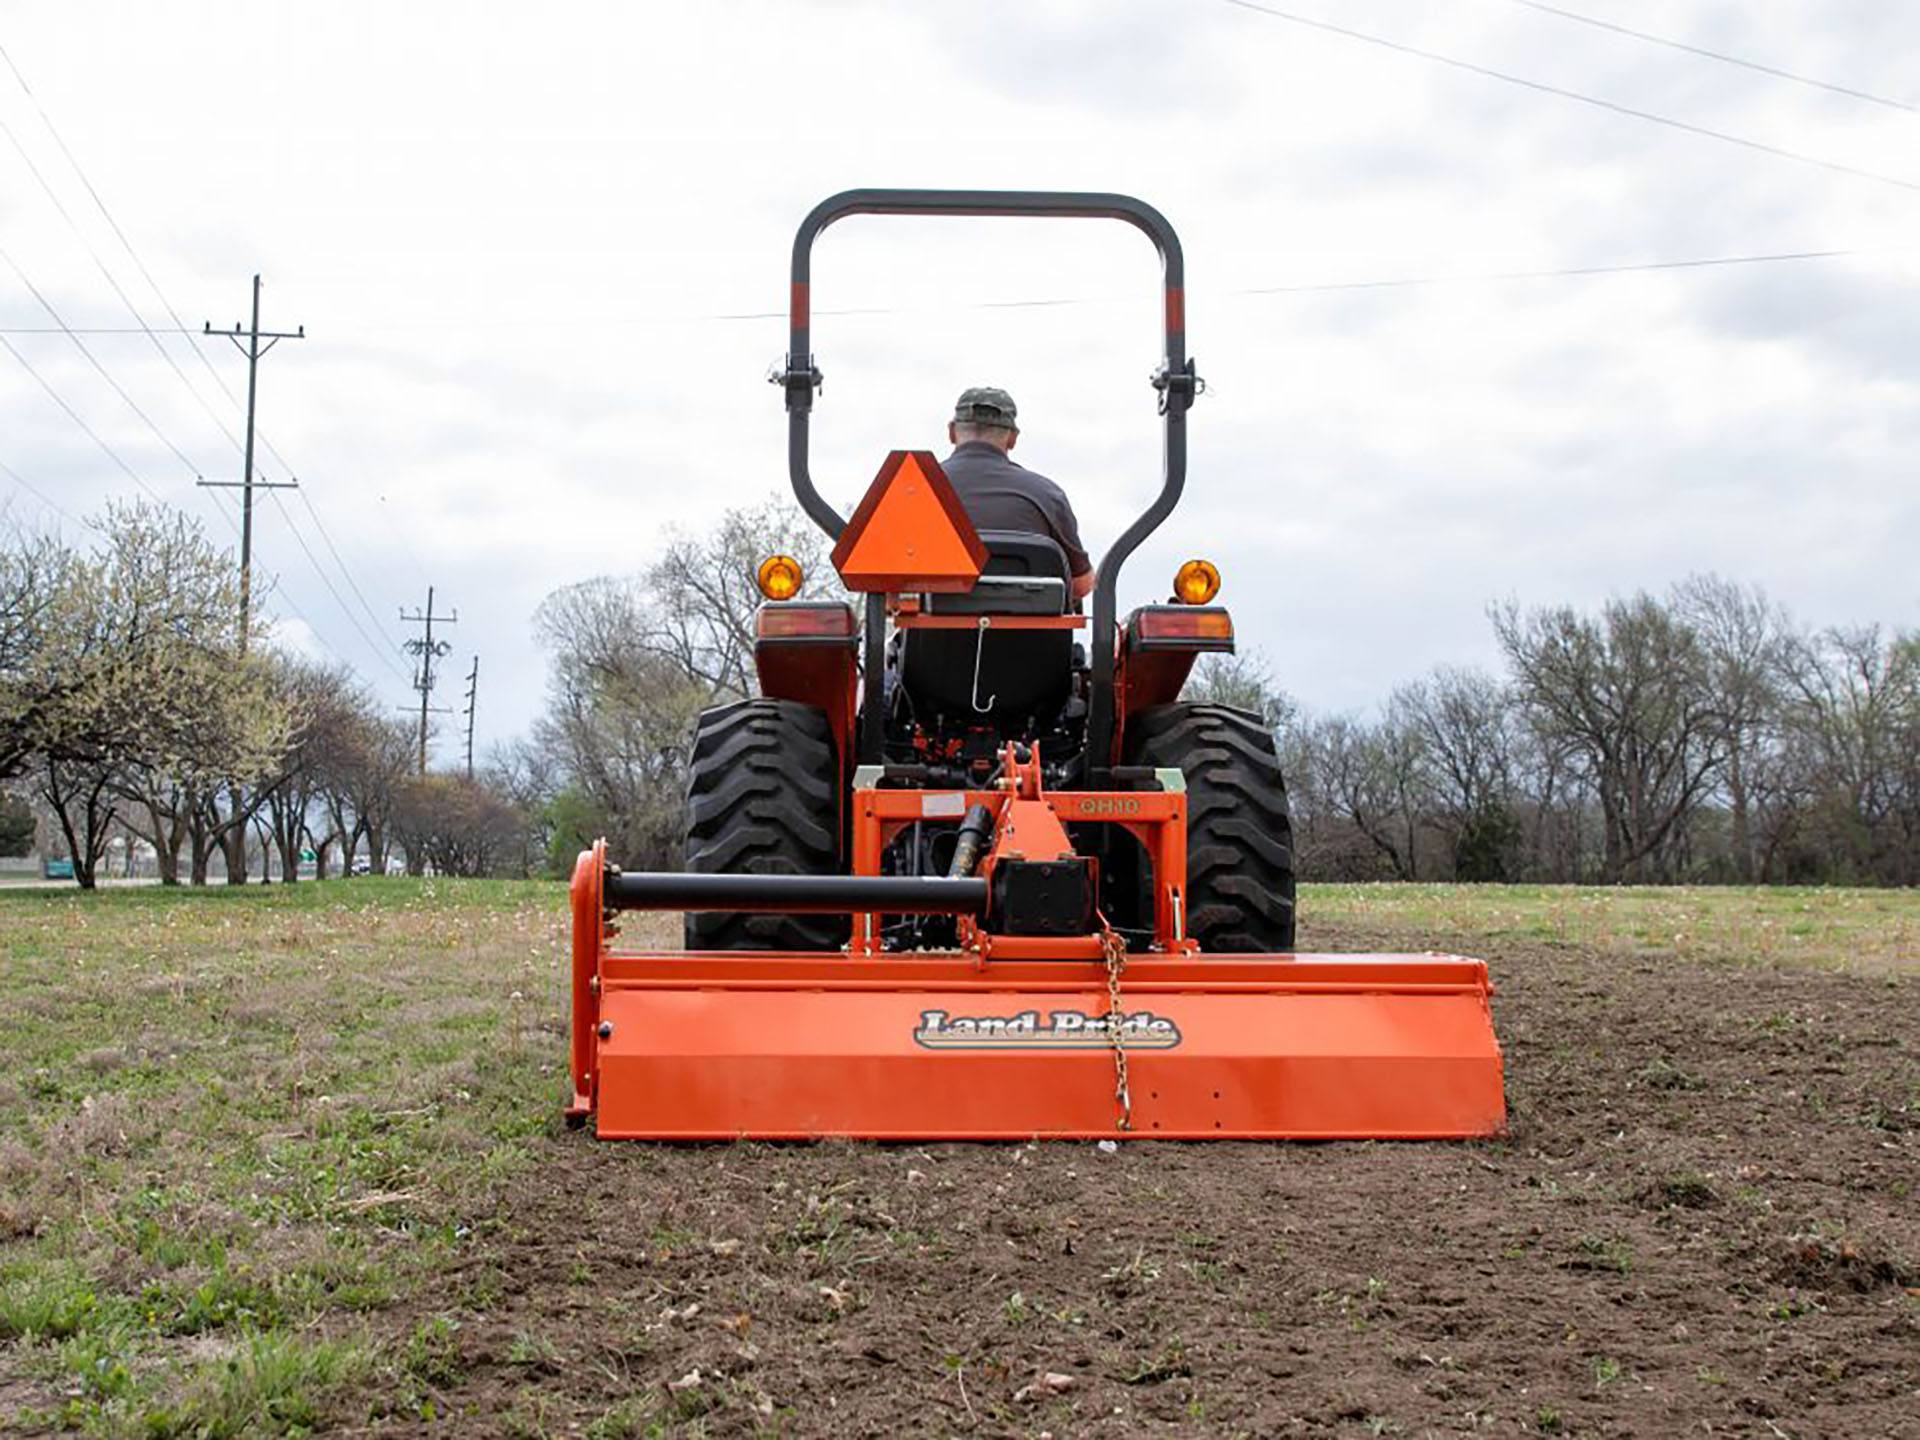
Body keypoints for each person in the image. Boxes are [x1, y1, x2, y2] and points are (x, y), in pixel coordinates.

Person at [940, 386, 1095, 601]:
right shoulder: (1047, 494)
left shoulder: (916, 491)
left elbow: (884, 587)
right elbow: (1081, 585)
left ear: (951, 432)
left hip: (932, 635)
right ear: (1012, 438)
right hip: (1034, 635)